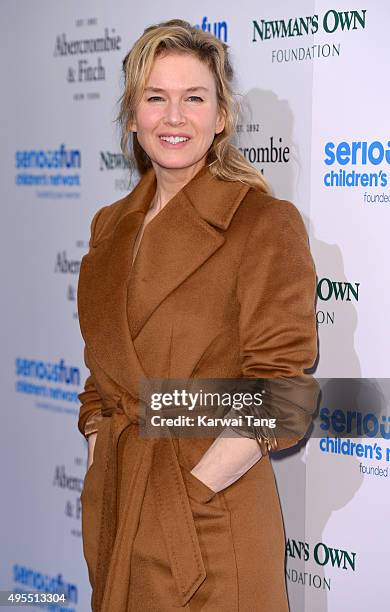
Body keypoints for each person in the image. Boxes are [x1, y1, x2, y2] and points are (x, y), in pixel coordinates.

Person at [77, 19, 319, 612]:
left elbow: (283, 395)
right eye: (155, 98)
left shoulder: (263, 224)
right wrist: (99, 448)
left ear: (222, 117)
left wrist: (194, 491)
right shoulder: (110, 227)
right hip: (120, 508)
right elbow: (104, 378)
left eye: (194, 98)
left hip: (210, 529)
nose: (175, 117)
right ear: (133, 117)